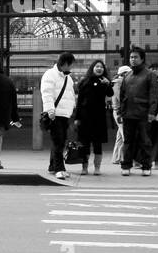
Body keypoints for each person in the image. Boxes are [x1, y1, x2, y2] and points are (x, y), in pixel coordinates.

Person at [118, 46, 158, 177]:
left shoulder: (150, 75)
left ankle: (146, 166)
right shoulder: (127, 76)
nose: (133, 60)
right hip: (128, 113)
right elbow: (122, 96)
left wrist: (152, 112)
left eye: (136, 57)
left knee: (145, 141)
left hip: (144, 113)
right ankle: (126, 165)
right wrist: (121, 112)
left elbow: (154, 95)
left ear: (142, 59)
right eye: (131, 57)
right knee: (128, 141)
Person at [40, 52, 78, 180]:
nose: (72, 67)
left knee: (60, 141)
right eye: (71, 64)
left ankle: (53, 166)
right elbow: (47, 94)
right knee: (59, 142)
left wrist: (71, 110)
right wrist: (50, 110)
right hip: (55, 114)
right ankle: (59, 168)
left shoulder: (68, 78)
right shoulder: (50, 75)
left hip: (64, 114)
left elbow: (71, 95)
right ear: (65, 63)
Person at [75, 59, 114, 176]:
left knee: (98, 144)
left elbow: (110, 94)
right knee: (84, 144)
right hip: (85, 118)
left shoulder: (104, 82)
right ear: (92, 68)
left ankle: (97, 168)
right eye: (97, 66)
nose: (99, 68)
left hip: (99, 118)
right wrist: (77, 118)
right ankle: (84, 167)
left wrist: (108, 84)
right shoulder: (84, 82)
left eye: (101, 67)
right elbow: (79, 102)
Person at [111, 65, 130, 165]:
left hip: (119, 112)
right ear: (123, 74)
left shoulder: (119, 82)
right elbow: (121, 99)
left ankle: (116, 158)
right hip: (121, 112)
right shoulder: (119, 83)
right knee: (126, 136)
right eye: (128, 72)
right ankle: (127, 159)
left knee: (120, 136)